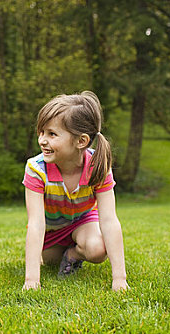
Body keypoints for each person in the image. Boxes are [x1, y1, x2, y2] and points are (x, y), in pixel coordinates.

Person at [22, 91, 128, 291]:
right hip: (51, 231)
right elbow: (35, 224)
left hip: (83, 223)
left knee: (97, 250)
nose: (42, 140)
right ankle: (65, 254)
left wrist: (119, 279)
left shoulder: (98, 166)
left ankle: (74, 255)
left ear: (81, 141)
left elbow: (109, 220)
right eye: (41, 132)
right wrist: (31, 280)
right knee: (50, 263)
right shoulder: (36, 169)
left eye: (52, 134)